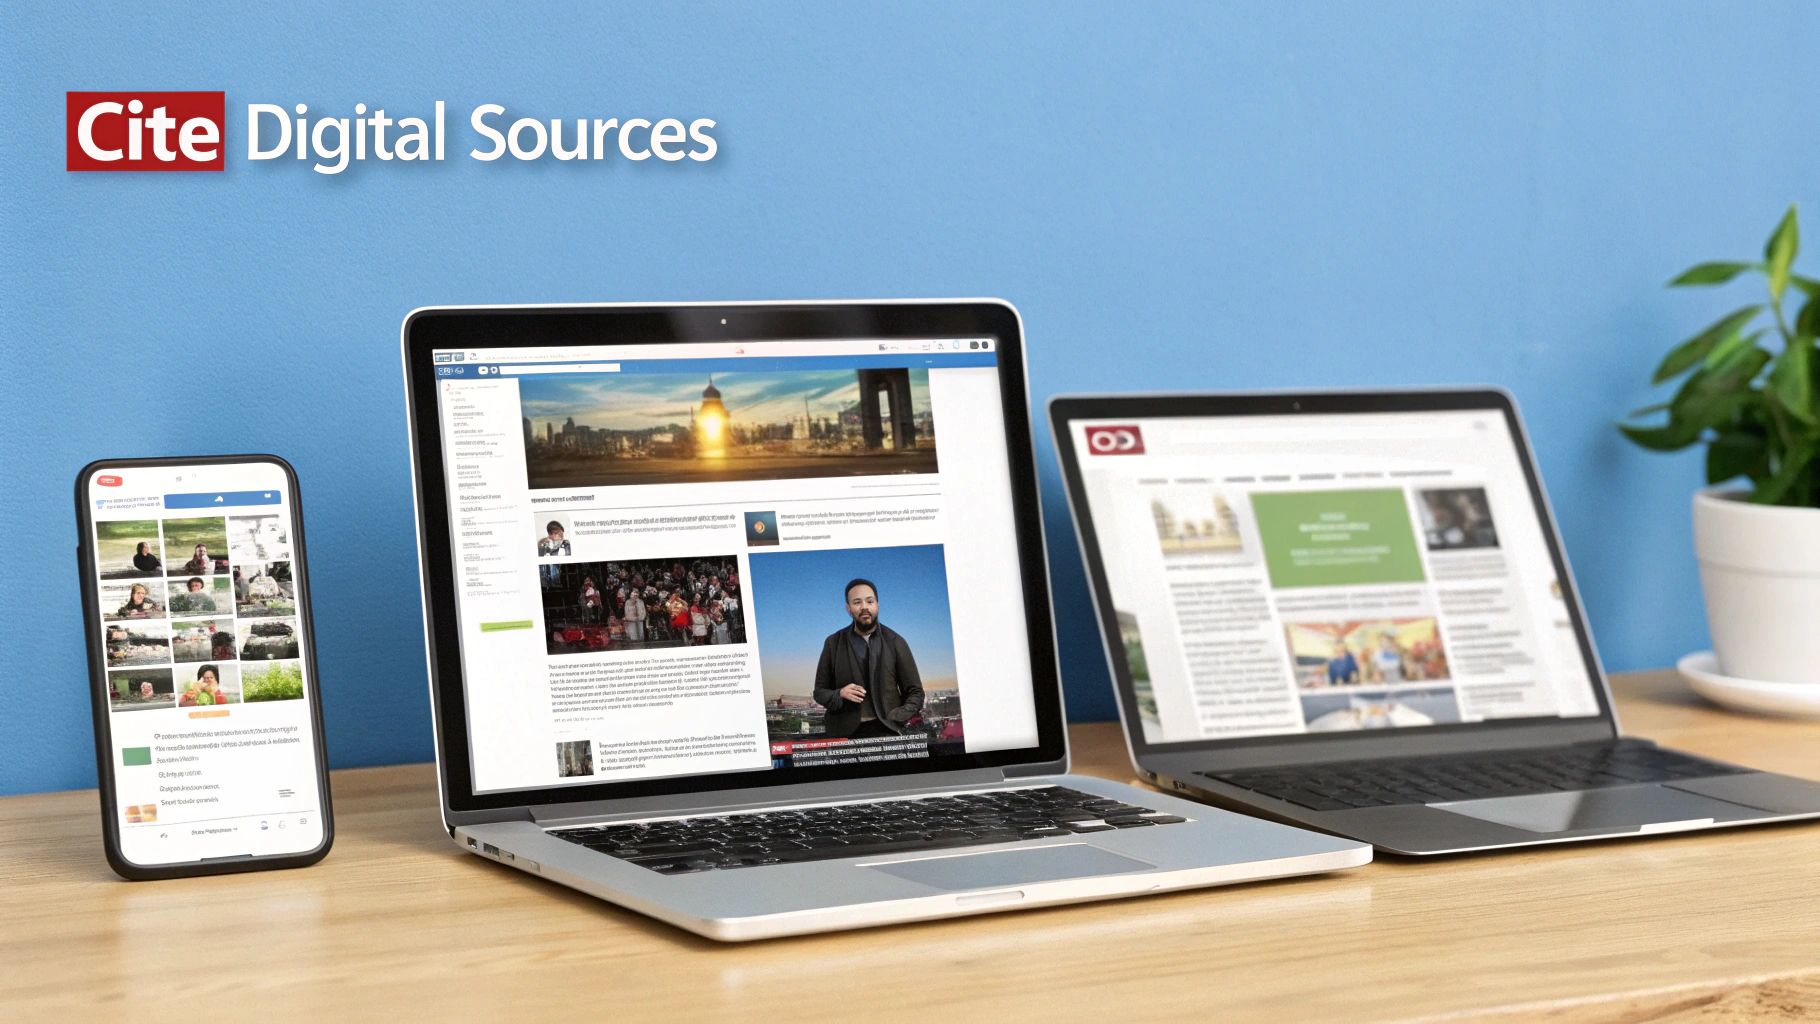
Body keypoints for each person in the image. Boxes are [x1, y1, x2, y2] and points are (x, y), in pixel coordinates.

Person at [812, 578, 924, 740]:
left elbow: (915, 692)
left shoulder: (896, 641)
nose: (864, 606)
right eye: (857, 602)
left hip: (887, 730)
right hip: (844, 733)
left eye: (869, 601)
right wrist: (840, 693)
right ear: (848, 609)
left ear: (877, 605)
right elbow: (819, 692)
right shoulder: (833, 643)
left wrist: (897, 716)